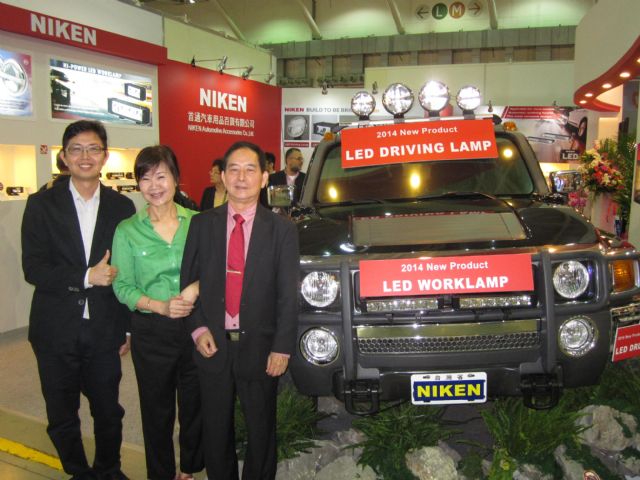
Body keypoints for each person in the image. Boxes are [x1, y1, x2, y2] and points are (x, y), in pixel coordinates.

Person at [21, 120, 135, 480]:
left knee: (107, 410)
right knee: (61, 412)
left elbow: (128, 272)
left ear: (104, 156)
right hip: (54, 329)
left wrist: (127, 329)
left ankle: (108, 470)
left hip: (104, 329)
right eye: (76, 149)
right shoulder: (41, 204)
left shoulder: (122, 207)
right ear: (64, 157)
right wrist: (87, 277)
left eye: (93, 149)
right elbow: (34, 268)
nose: (85, 156)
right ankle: (78, 472)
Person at [181, 141, 299, 480]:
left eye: (250, 169)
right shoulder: (202, 224)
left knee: (261, 430)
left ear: (264, 178)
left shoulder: (282, 230)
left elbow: (288, 296)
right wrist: (198, 328)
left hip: (261, 347)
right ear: (222, 176)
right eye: (233, 169)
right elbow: (189, 283)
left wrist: (282, 346)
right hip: (213, 343)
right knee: (216, 430)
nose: (241, 177)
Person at [111, 145, 204, 480]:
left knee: (195, 404)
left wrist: (193, 291)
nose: (154, 184)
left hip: (196, 327)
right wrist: (159, 305)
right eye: (146, 177)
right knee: (156, 410)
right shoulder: (127, 230)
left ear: (175, 179)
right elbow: (122, 286)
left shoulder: (198, 223)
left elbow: (217, 270)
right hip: (152, 332)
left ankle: (190, 468)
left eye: (161, 175)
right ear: (138, 184)